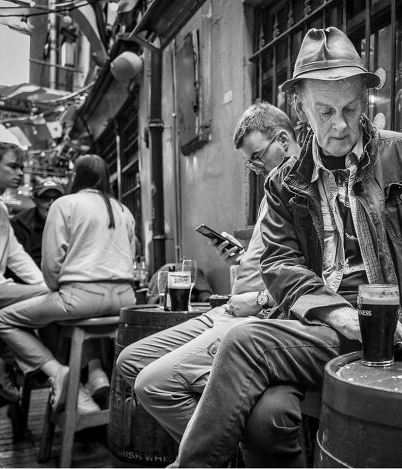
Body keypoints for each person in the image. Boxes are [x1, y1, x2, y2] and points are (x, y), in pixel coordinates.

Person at [171, 27, 402, 467]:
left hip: (400, 330)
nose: (339, 124)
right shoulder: (284, 184)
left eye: (351, 108)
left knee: (244, 349)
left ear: (364, 100)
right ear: (300, 106)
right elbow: (279, 264)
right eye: (325, 110)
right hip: (327, 326)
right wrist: (340, 314)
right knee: (268, 418)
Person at [115, 102, 304, 466]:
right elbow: (274, 255)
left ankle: (213, 453)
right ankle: (223, 437)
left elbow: (309, 270)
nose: (253, 167)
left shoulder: (301, 188)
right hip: (229, 309)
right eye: (249, 161)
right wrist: (244, 255)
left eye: (256, 157)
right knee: (130, 361)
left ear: (283, 140)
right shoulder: (273, 188)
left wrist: (263, 299)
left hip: (256, 317)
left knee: (152, 384)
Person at [0, 154, 136, 413]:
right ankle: (96, 376)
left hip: (81, 299)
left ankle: (58, 372)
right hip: (126, 301)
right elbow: (132, 254)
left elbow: (51, 264)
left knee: (4, 319)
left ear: (75, 178)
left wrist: (55, 287)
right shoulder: (123, 209)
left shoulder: (65, 204)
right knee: (68, 317)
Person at [0, 122, 48, 402]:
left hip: (3, 289)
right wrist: (51, 291)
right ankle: (45, 368)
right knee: (56, 298)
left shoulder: (2, 210)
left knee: (53, 298)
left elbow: (18, 257)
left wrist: (47, 285)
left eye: (20, 168)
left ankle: (32, 367)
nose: (19, 173)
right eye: (12, 167)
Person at [11, 179, 65, 267]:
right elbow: (16, 261)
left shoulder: (70, 223)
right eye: (45, 198)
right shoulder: (19, 223)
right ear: (35, 200)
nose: (51, 203)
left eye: (57, 198)